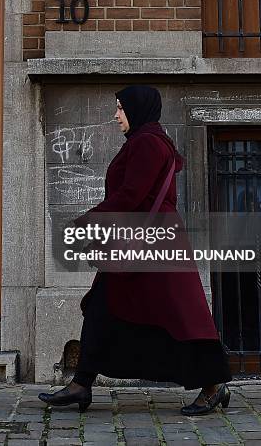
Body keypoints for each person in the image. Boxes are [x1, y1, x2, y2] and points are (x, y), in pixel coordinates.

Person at [38, 85, 232, 415]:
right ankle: (81, 384)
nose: (116, 116)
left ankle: (213, 386)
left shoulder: (148, 143)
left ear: (137, 109)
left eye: (121, 109)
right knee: (103, 306)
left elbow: (131, 195)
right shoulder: (148, 141)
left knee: (180, 314)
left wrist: (86, 222)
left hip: (153, 242)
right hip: (143, 238)